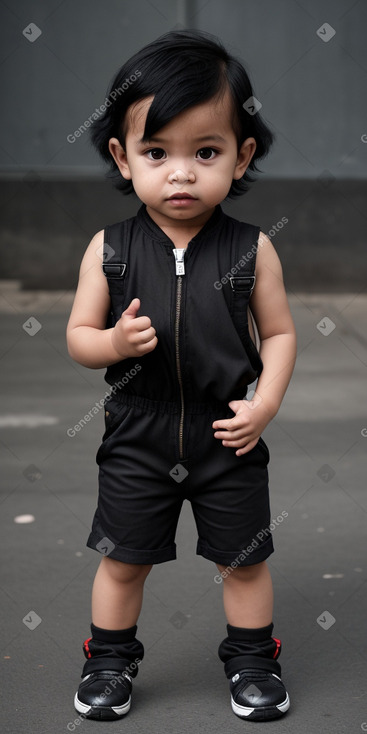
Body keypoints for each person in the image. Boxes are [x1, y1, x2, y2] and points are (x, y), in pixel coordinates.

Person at [66, 29, 297, 723]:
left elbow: (281, 334)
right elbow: (78, 337)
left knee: (244, 561)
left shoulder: (251, 249)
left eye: (206, 153)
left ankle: (254, 662)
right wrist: (111, 342)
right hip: (138, 430)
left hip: (226, 431)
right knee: (122, 559)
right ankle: (108, 662)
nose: (181, 174)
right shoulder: (108, 249)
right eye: (156, 152)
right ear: (122, 155)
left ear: (241, 154)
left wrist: (265, 406)